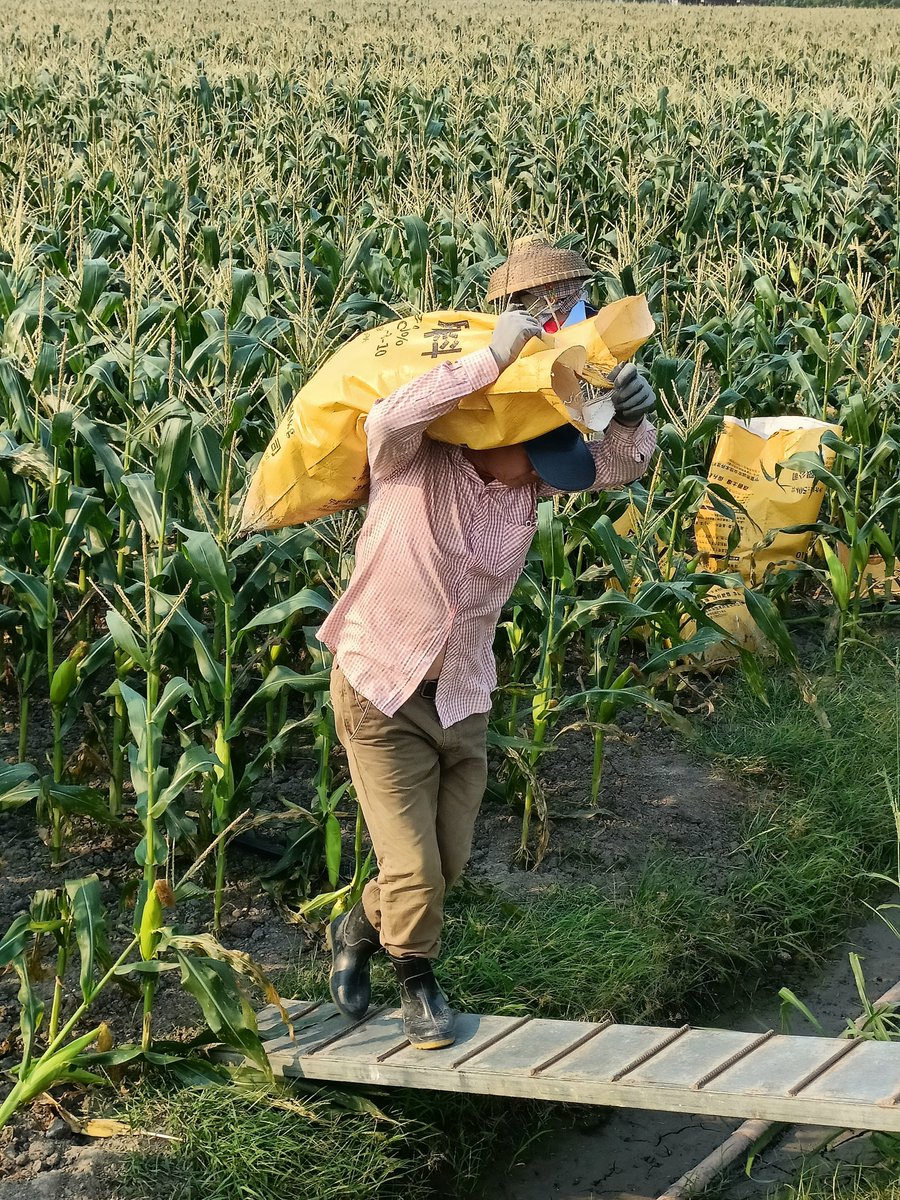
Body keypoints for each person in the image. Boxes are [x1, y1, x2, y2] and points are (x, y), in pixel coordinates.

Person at [317, 235, 657, 1050]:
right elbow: (390, 413)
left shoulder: (530, 483)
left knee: (449, 865)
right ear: (490, 430)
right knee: (413, 873)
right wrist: (487, 362)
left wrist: (639, 416)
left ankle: (360, 934)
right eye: (531, 453)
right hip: (381, 689)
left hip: (461, 694)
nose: (538, 476)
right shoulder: (415, 461)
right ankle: (418, 989)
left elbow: (621, 466)